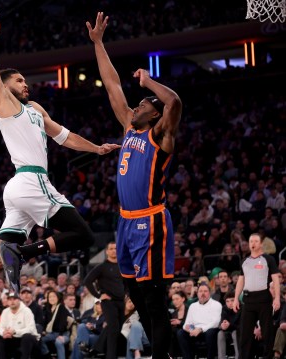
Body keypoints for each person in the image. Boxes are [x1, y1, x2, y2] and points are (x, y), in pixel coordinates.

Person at [0, 12, 120, 351]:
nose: (25, 84)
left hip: (19, 190)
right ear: (6, 84)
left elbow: (65, 136)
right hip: (31, 181)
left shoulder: (37, 110)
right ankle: (25, 251)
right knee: (84, 235)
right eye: (19, 80)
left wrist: (97, 148)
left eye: (25, 81)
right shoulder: (3, 100)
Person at [87, 12, 183, 359]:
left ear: (153, 115)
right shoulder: (130, 128)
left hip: (151, 221)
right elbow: (112, 84)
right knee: (138, 298)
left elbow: (174, 102)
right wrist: (98, 43)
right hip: (125, 222)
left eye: (142, 105)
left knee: (155, 303)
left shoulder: (161, 136)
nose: (136, 105)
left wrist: (149, 82)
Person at [233, 233, 281, 359]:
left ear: (260, 244)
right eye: (251, 241)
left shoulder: (268, 259)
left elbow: (275, 279)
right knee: (245, 334)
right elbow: (241, 280)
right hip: (248, 300)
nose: (253, 244)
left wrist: (276, 298)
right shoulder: (245, 261)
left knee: (267, 333)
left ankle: (268, 357)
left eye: (255, 241)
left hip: (264, 298)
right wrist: (236, 298)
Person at [83, 241, 125, 359]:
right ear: (107, 251)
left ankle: (96, 349)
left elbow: (127, 283)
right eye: (111, 249)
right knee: (113, 329)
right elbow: (87, 280)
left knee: (117, 329)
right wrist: (98, 295)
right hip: (108, 302)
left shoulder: (122, 266)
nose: (113, 251)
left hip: (122, 301)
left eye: (116, 248)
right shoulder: (102, 267)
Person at [176, 283, 222, 359]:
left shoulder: (216, 304)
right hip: (195, 331)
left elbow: (216, 322)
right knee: (181, 333)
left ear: (209, 293)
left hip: (209, 331)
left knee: (210, 333)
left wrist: (200, 329)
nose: (203, 293)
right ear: (197, 293)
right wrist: (191, 329)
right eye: (200, 291)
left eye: (205, 291)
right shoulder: (193, 306)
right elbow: (187, 323)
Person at [0, 292, 40, 359]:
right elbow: (0, 328)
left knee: (27, 336)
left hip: (29, 339)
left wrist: (15, 331)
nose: (12, 301)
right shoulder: (5, 311)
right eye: (10, 299)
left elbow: (30, 329)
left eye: (14, 299)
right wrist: (4, 333)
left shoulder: (27, 311)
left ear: (19, 300)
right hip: (12, 338)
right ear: (7, 301)